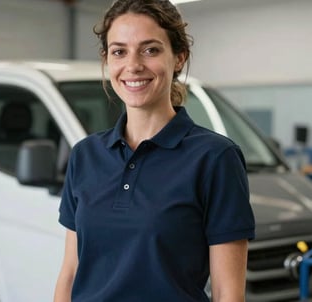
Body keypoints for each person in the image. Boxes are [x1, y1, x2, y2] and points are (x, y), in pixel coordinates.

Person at [53, 0, 255, 301]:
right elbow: (70, 274)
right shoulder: (85, 155)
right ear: (107, 59)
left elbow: (228, 294)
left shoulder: (215, 158)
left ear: (179, 58)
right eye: (119, 51)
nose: (133, 65)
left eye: (150, 50)